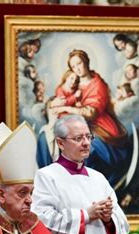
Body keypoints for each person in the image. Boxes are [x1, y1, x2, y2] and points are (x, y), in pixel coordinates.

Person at [48, 49, 129, 186]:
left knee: (88, 150)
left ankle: (87, 185)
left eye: (79, 63)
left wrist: (65, 108)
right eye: (73, 66)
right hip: (76, 124)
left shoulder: (98, 84)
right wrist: (52, 103)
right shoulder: (73, 81)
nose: (77, 68)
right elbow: (60, 96)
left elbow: (91, 112)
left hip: (99, 125)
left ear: (86, 62)